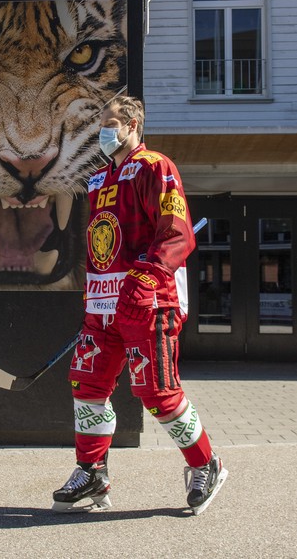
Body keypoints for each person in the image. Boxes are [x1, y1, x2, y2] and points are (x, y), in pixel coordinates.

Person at [52, 96, 227, 515]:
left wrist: (145, 277)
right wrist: (94, 298)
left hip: (148, 303)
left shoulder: (154, 167)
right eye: (100, 124)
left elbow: (177, 233)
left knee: (156, 393)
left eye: (110, 123)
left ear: (132, 124)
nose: (102, 131)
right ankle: (91, 471)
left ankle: (206, 464)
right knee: (86, 383)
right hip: (103, 307)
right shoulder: (97, 181)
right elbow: (102, 247)